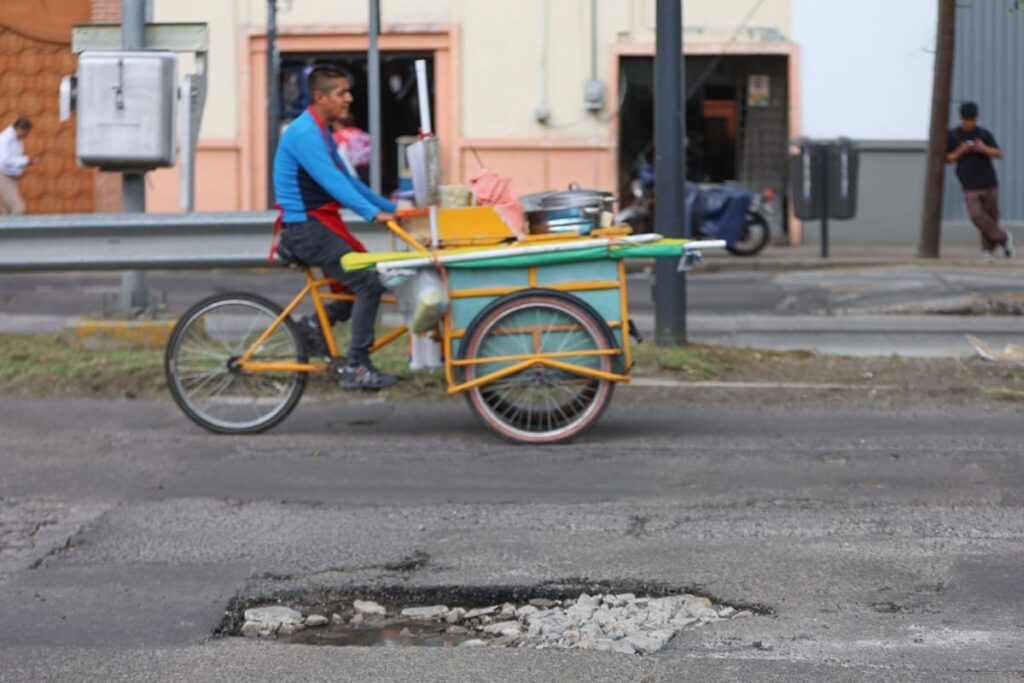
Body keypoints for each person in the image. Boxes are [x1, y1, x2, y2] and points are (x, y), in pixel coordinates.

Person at [273, 66, 398, 390]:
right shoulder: (304, 133)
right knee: (368, 285)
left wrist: (394, 209)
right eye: (341, 92)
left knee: (363, 281)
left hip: (317, 225)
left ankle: (314, 326)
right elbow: (333, 183)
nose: (349, 98)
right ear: (320, 97)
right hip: (305, 229)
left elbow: (347, 181)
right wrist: (372, 215)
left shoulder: (322, 132)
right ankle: (357, 366)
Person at [946, 102, 1013, 261]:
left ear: (976, 119)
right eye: (966, 119)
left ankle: (987, 250)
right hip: (969, 184)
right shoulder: (953, 136)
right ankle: (1004, 238)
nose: (969, 123)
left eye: (972, 120)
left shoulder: (983, 134)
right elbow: (948, 158)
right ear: (961, 118)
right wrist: (960, 150)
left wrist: (982, 148)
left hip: (989, 182)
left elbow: (998, 153)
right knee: (977, 215)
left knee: (990, 216)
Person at [0, 117, 37, 215]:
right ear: (20, 129)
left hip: (11, 177)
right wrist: (25, 160)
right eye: (26, 132)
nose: (26, 135)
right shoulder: (5, 139)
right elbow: (3, 160)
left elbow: (13, 159)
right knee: (18, 207)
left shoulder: (16, 139)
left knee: (8, 210)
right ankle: (14, 229)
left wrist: (26, 162)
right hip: (3, 176)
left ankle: (4, 229)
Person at [331, 116, 372, 184]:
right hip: (368, 170)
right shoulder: (361, 133)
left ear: (338, 124)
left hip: (350, 171)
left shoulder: (338, 135)